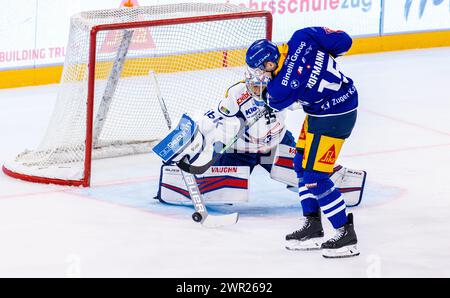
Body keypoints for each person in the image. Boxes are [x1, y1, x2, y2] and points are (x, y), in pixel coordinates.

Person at [154, 68, 366, 218]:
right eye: (253, 86)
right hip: (241, 150)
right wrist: (190, 133)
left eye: (261, 86)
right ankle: (178, 177)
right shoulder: (236, 95)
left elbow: (307, 100)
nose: (257, 90)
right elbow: (214, 118)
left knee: (302, 177)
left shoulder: (281, 89)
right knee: (224, 191)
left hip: (276, 144)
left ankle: (333, 182)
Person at [245, 27, 360, 258]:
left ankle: (345, 234)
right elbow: (344, 41)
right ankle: (313, 225)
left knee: (315, 177)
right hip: (328, 108)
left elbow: (270, 100)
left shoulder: (278, 89)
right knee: (299, 163)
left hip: (335, 117)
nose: (257, 75)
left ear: (269, 64)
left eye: (259, 70)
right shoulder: (302, 37)